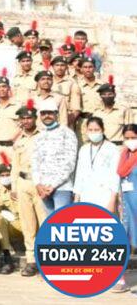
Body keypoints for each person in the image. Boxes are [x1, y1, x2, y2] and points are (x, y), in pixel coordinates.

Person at [10, 101, 46, 277]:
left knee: (45, 222)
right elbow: (15, 166)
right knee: (28, 224)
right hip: (23, 183)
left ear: (35, 119)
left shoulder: (44, 136)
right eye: (23, 118)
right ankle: (32, 261)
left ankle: (47, 260)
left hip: (40, 183)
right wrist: (14, 186)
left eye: (29, 117)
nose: (26, 121)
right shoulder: (19, 141)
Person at [32, 99, 78, 214]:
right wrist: (38, 183)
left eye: (50, 113)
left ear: (56, 114)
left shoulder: (67, 133)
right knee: (50, 227)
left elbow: (70, 163)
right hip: (43, 188)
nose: (47, 116)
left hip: (62, 187)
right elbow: (35, 162)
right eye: (43, 113)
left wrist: (53, 185)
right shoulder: (39, 136)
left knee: (62, 225)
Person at [73, 118, 119, 212]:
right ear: (86, 131)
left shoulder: (112, 148)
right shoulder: (84, 149)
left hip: (105, 195)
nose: (93, 132)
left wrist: (112, 200)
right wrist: (76, 198)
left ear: (103, 130)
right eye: (90, 130)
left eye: (96, 130)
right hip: (86, 195)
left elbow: (115, 176)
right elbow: (79, 174)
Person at [114, 125, 137, 293]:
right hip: (127, 207)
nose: (130, 141)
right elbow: (120, 176)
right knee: (124, 241)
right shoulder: (123, 155)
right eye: (127, 138)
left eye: (133, 137)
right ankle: (120, 279)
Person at [0, 75, 21, 171]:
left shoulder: (18, 106)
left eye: (4, 86)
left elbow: (24, 128)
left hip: (14, 147)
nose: (2, 89)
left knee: (15, 177)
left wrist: (16, 140)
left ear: (9, 88)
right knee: (0, 181)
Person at [93, 79, 132, 145]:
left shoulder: (123, 110)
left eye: (110, 94)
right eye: (104, 94)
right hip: (102, 146)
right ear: (100, 96)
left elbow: (130, 130)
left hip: (119, 146)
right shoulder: (97, 113)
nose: (107, 96)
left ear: (114, 94)